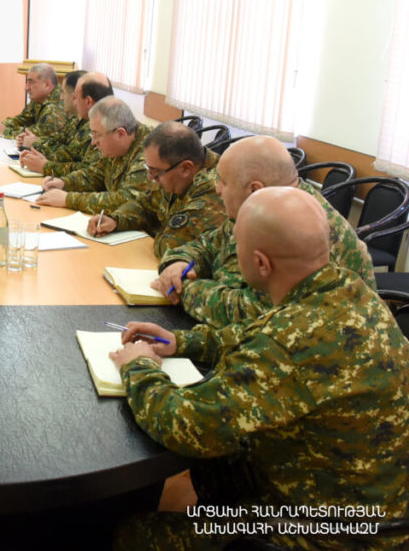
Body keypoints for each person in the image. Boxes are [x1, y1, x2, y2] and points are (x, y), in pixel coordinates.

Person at [110, 187, 409, 550]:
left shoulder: (286, 344)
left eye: (236, 250)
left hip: (324, 534)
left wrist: (138, 367)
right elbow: (262, 330)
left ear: (262, 264)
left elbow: (181, 423)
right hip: (376, 511)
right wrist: (182, 342)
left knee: (130, 535)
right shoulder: (351, 292)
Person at [152, 135, 376, 329]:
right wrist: (179, 262)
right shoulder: (261, 206)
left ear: (254, 189)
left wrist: (183, 289)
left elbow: (252, 314)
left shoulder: (297, 226)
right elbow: (208, 244)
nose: (217, 189)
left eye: (223, 182)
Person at [88, 121, 227, 258]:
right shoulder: (174, 174)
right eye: (149, 168)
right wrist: (115, 220)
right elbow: (145, 205)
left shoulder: (215, 190)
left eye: (155, 171)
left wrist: (155, 229)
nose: (150, 178)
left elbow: (171, 245)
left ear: (185, 168)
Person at [35, 97, 152, 214]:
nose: (93, 142)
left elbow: (128, 201)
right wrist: (64, 182)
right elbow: (96, 174)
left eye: (97, 134)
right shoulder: (116, 144)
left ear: (120, 134)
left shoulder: (149, 153)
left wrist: (69, 199)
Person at [20, 71, 111, 176]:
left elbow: (89, 173)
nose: (61, 98)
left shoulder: (100, 127)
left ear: (88, 101)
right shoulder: (81, 120)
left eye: (75, 97)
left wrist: (45, 165)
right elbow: (59, 142)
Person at [0, 63, 65, 144]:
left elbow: (35, 136)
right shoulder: (40, 99)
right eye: (27, 82)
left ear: (47, 85)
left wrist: (5, 131)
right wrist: (2, 124)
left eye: (31, 82)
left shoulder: (55, 107)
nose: (26, 88)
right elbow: (23, 118)